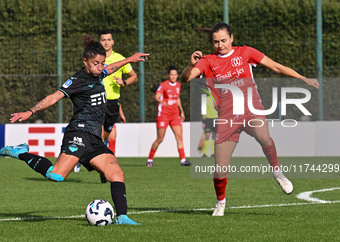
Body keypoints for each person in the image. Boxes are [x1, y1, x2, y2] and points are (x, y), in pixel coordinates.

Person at [0, 35, 149, 224]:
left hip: (95, 138)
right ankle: (20, 152)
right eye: (96, 63)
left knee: (116, 174)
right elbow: (54, 97)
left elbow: (111, 69)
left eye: (102, 63)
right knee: (56, 176)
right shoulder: (77, 80)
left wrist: (129, 59)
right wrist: (31, 111)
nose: (100, 67)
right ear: (85, 61)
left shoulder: (99, 74)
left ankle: (122, 217)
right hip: (78, 134)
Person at [181, 22, 319, 216]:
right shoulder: (208, 60)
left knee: (264, 137)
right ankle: (220, 202)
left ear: (231, 38)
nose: (220, 45)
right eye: (215, 42)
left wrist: (303, 78)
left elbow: (276, 67)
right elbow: (185, 78)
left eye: (223, 40)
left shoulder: (245, 53)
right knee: (220, 169)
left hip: (251, 110)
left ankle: (277, 172)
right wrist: (190, 65)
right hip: (227, 117)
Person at [74, 30, 137, 183]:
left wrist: (124, 83)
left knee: (104, 136)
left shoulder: (120, 59)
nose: (106, 42)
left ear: (113, 41)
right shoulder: (94, 59)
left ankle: (89, 158)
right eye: (103, 40)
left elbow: (134, 76)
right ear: (99, 42)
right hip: (95, 102)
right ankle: (86, 159)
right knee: (96, 134)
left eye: (109, 39)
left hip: (112, 104)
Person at [147, 66, 191, 167]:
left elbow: (177, 98)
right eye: (171, 74)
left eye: (175, 75)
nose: (173, 76)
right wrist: (161, 101)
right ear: (168, 75)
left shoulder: (178, 85)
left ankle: (183, 160)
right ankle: (149, 159)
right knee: (160, 139)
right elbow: (157, 96)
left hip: (175, 115)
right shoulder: (163, 85)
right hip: (164, 115)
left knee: (179, 138)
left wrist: (182, 111)